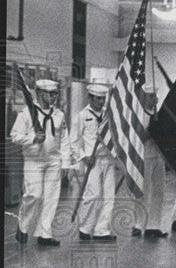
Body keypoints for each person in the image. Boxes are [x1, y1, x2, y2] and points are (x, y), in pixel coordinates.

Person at [11, 79, 71, 247]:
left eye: (55, 94)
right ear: (39, 93)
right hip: (33, 160)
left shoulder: (58, 115)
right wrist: (32, 138)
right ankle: (22, 226)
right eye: (50, 94)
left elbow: (64, 139)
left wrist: (65, 163)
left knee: (51, 198)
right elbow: (15, 136)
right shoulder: (27, 113)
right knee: (34, 194)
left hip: (53, 159)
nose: (53, 97)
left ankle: (45, 234)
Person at [74, 83, 116, 242]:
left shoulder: (109, 115)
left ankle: (102, 230)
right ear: (90, 97)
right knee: (92, 195)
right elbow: (74, 141)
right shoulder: (82, 116)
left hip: (108, 159)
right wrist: (84, 156)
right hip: (92, 161)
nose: (102, 102)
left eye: (103, 98)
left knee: (109, 197)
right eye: (98, 98)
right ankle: (85, 228)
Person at [133, 84, 168, 239]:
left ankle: (154, 225)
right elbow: (137, 136)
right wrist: (151, 130)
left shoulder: (159, 114)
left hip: (159, 156)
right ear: (144, 97)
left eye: (156, 96)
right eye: (151, 96)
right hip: (144, 155)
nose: (154, 99)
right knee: (143, 192)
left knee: (159, 192)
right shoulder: (139, 114)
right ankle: (138, 224)